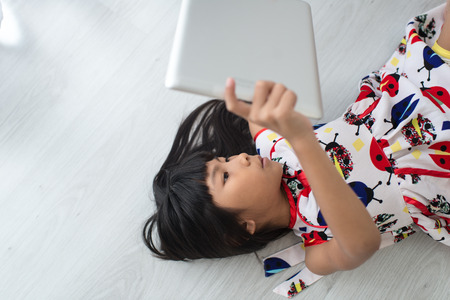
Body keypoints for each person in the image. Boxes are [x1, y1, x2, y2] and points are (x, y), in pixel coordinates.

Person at [144, 2, 450, 298]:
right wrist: (303, 140)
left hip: (409, 95)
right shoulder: (318, 244)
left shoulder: (269, 141)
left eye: (224, 159)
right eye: (225, 176)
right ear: (243, 228)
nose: (239, 159)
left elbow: (257, 73)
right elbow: (362, 244)